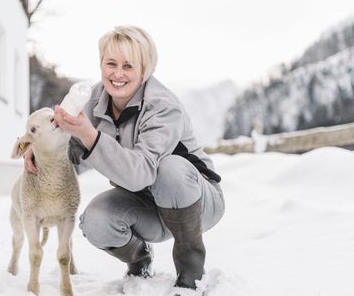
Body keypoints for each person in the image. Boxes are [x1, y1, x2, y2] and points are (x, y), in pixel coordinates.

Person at [25, 25, 225, 291]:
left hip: (196, 202)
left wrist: (90, 135)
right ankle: (140, 260)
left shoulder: (163, 106)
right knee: (95, 220)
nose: (117, 74)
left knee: (170, 168)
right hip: (146, 203)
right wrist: (41, 148)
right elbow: (72, 149)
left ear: (145, 70)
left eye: (129, 66)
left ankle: (191, 271)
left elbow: (140, 172)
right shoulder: (94, 100)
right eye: (111, 63)